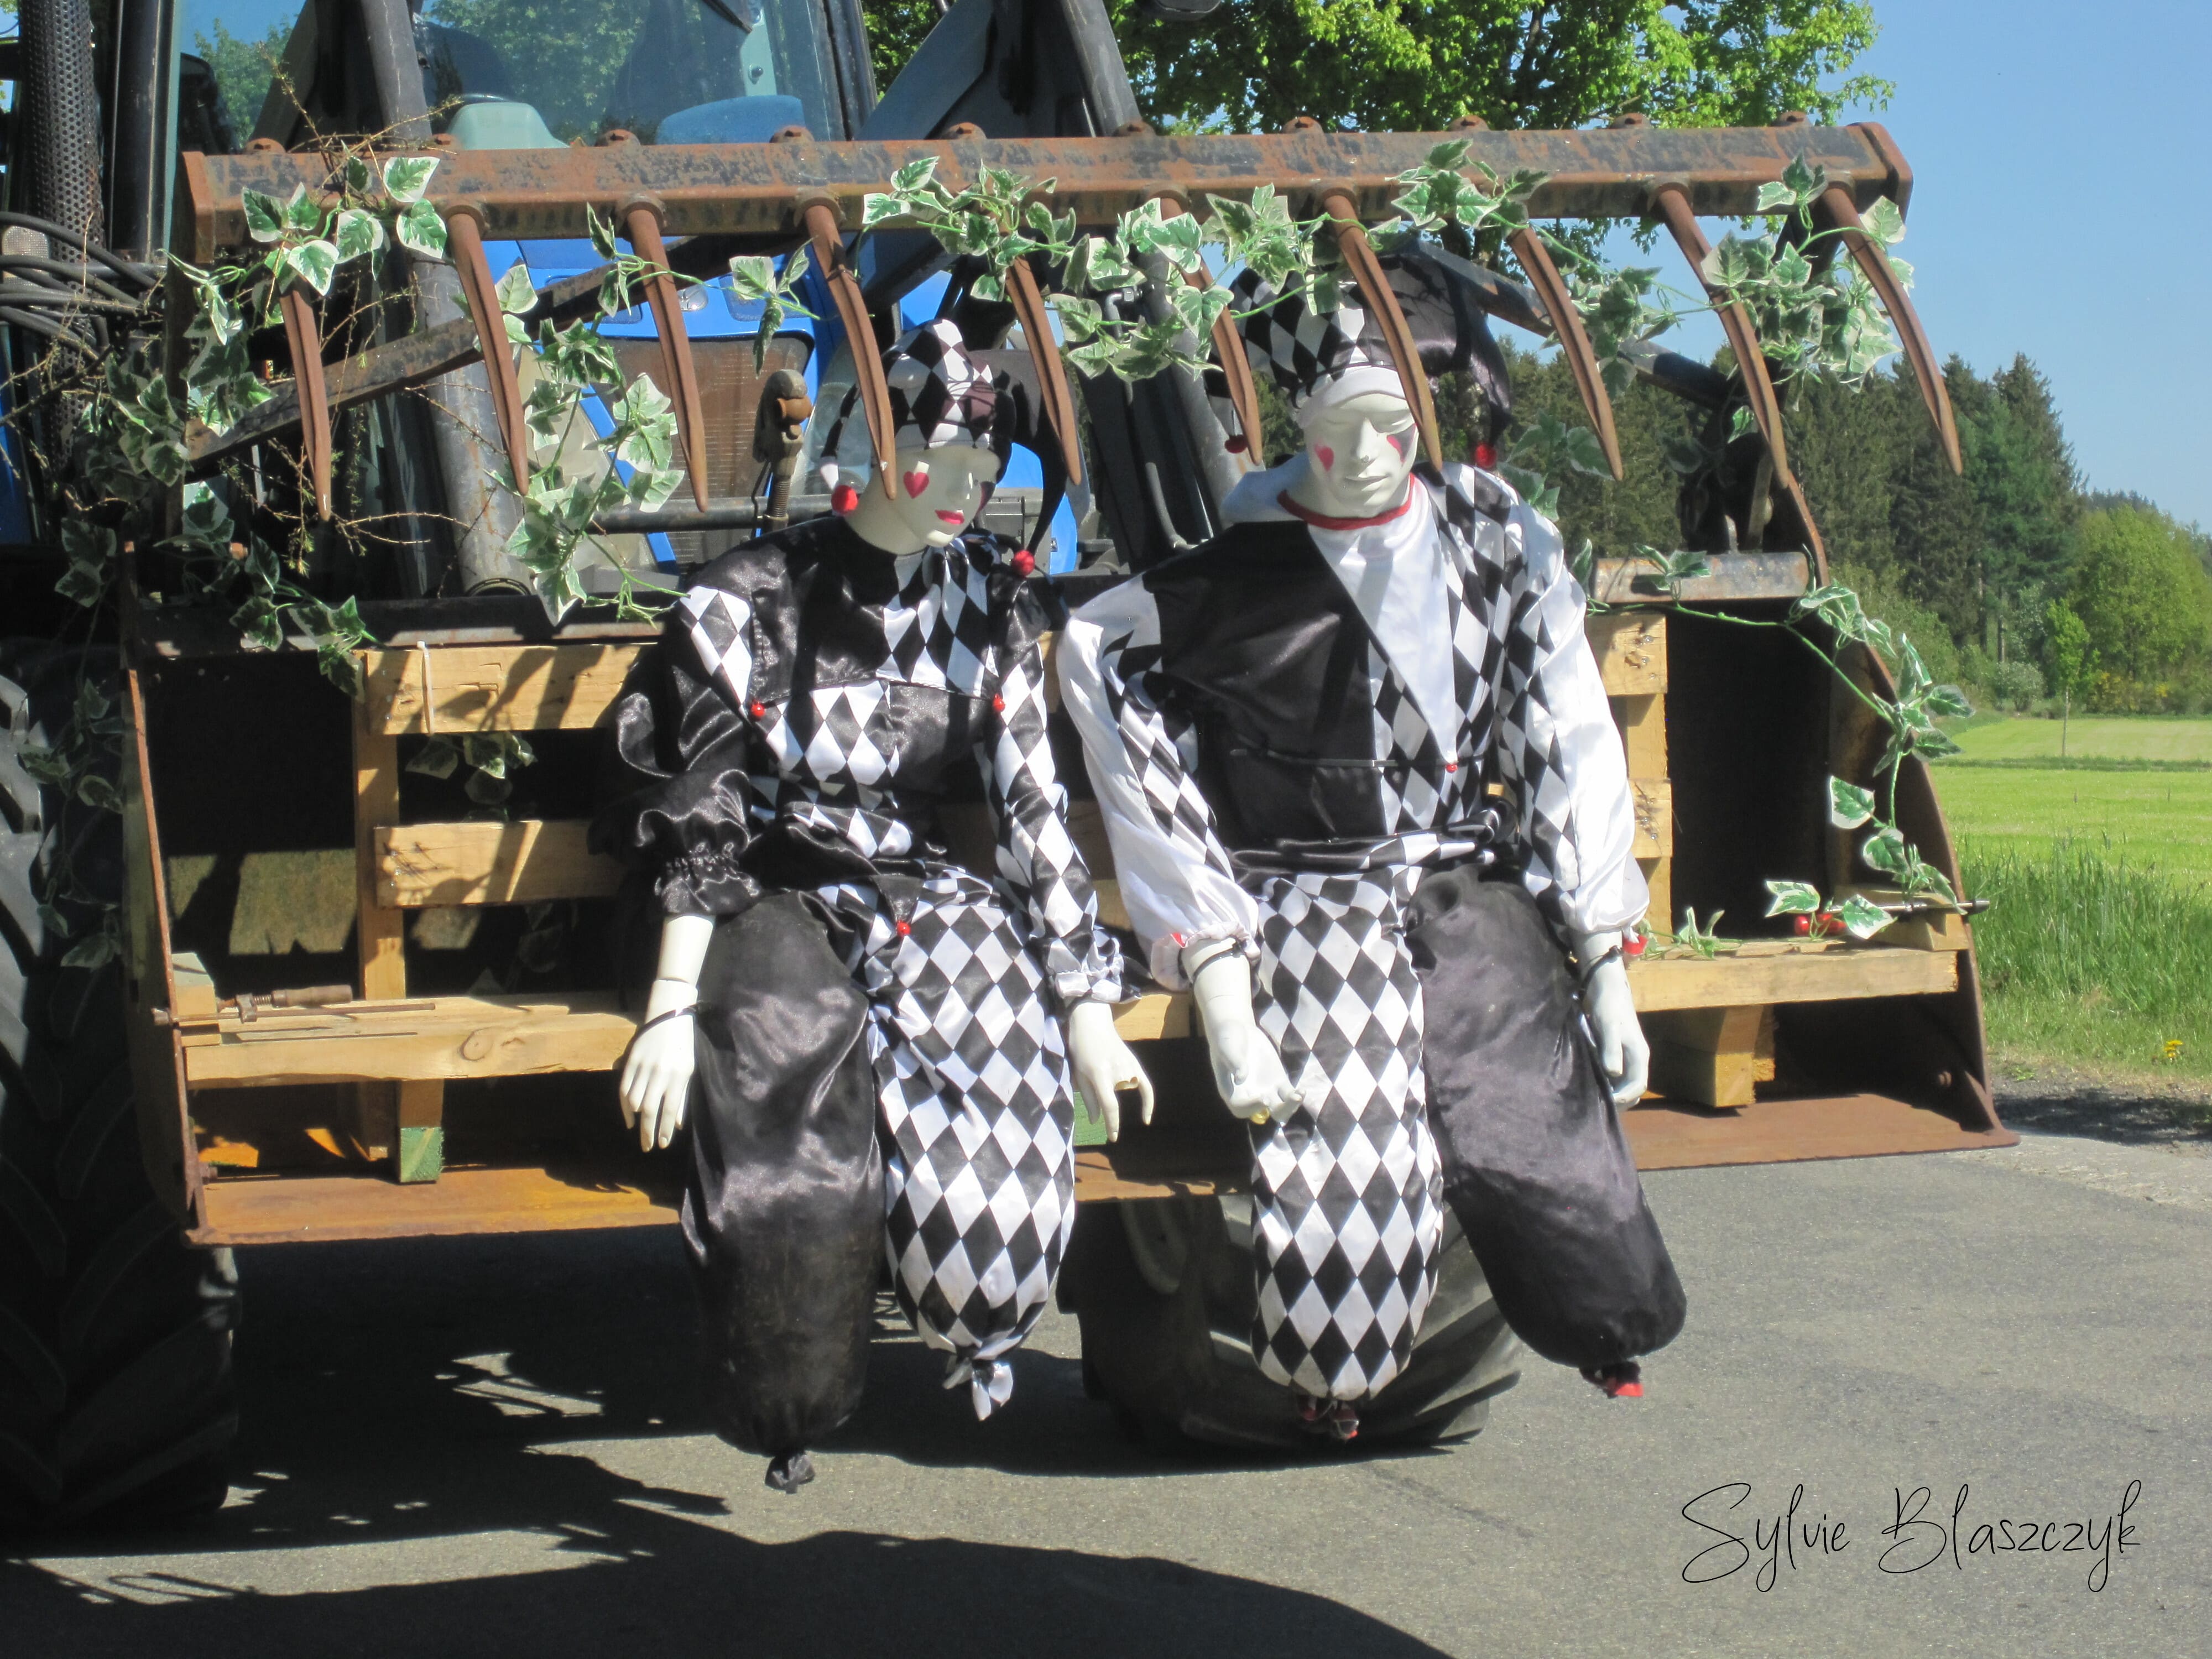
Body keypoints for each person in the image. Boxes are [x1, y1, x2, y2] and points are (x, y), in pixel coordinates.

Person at [1057, 256, 1684, 1439]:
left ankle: (1603, 1322)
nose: (1364, 458)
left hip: (1463, 884)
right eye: (1332, 432)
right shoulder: (1221, 588)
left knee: (1555, 1158)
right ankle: (1330, 1375)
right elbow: (1098, 663)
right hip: (1309, 896)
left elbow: (1563, 732)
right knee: (1347, 1177)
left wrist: (1602, 953)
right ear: (1294, 429)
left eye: (1392, 426)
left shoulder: (1498, 547)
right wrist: (1220, 982)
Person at [593, 319, 1151, 1489]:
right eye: (936, 460)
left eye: (982, 468)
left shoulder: (990, 603)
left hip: (913, 881)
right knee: (780, 1089)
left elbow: (1033, 807)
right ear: (864, 446)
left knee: (999, 1105)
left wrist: (1087, 1007)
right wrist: (670, 1001)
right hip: (763, 884)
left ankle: (980, 1318)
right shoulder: (746, 598)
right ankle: (786, 1385)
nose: (962, 488)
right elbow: (702, 797)